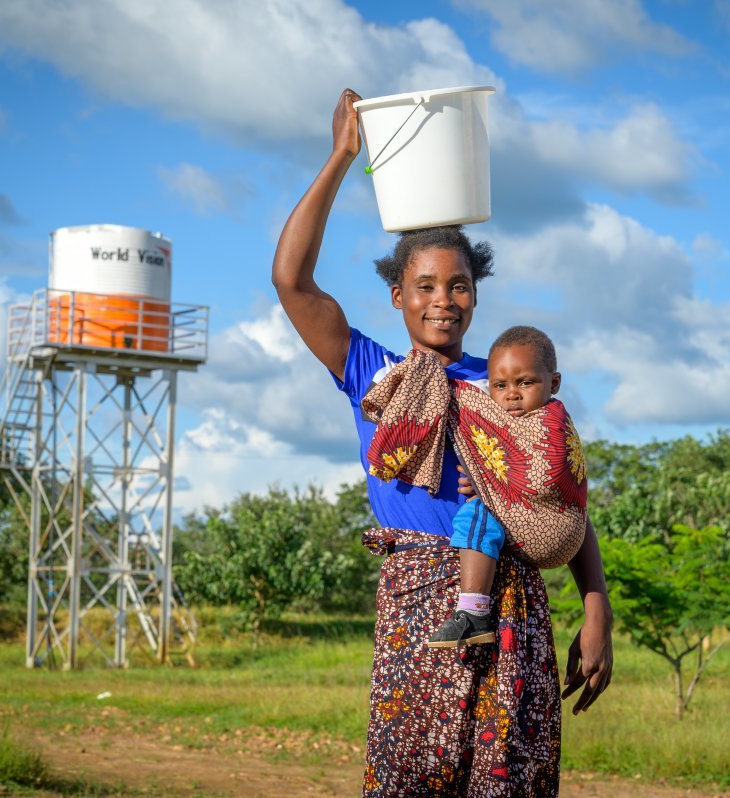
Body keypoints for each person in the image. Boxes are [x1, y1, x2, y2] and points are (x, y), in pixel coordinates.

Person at [271, 87, 613, 798]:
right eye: (424, 286)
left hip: (509, 606)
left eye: (458, 286)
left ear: (475, 297)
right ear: (398, 294)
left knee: (508, 780)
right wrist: (340, 157)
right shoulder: (374, 374)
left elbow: (558, 497)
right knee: (407, 778)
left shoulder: (508, 388)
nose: (442, 300)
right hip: (413, 608)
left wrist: (595, 607)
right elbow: (292, 280)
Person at [358, 325, 588, 649]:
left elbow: (548, 475)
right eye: (501, 386)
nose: (512, 394)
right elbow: (493, 456)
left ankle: (473, 611)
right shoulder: (495, 412)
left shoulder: (551, 421)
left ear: (554, 383)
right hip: (424, 581)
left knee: (475, 517)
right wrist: (488, 475)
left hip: (547, 539)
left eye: (526, 382)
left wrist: (490, 481)